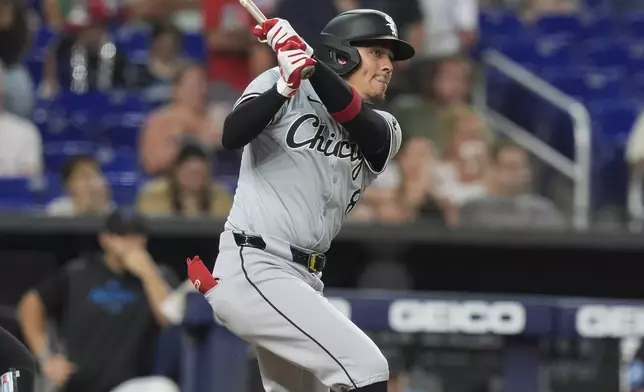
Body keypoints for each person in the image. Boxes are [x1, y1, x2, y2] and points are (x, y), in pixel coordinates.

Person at [187, 9, 414, 392]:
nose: (388, 65)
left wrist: (309, 61)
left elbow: (358, 121)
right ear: (344, 55)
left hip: (304, 278)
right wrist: (284, 87)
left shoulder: (387, 127)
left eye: (389, 56)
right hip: (254, 265)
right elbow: (231, 135)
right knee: (366, 367)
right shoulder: (279, 82)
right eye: (378, 52)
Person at [17, 210, 180, 392]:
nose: (131, 242)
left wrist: (147, 272)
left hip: (133, 385)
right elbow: (31, 304)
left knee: (162, 388)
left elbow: (169, 319)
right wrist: (46, 357)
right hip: (79, 384)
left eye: (137, 235)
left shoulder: (160, 276)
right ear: (105, 239)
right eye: (122, 235)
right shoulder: (79, 272)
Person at [136, 142, 233, 218]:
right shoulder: (154, 195)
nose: (196, 179)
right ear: (176, 171)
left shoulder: (221, 196)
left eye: (200, 174)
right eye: (190, 173)